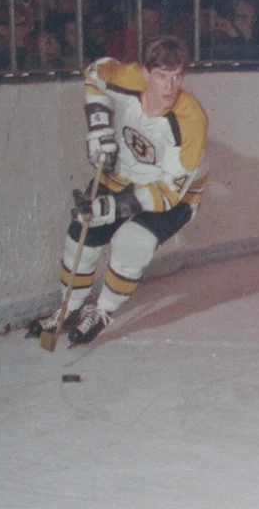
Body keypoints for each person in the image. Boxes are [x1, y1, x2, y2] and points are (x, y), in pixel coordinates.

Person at [26, 35, 208, 345]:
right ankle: (68, 308)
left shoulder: (190, 120)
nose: (169, 87)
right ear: (145, 73)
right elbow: (94, 74)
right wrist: (99, 128)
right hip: (120, 176)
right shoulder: (127, 79)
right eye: (162, 76)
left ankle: (103, 310)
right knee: (80, 239)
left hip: (175, 196)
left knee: (130, 242)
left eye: (177, 76)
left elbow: (167, 194)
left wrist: (108, 209)